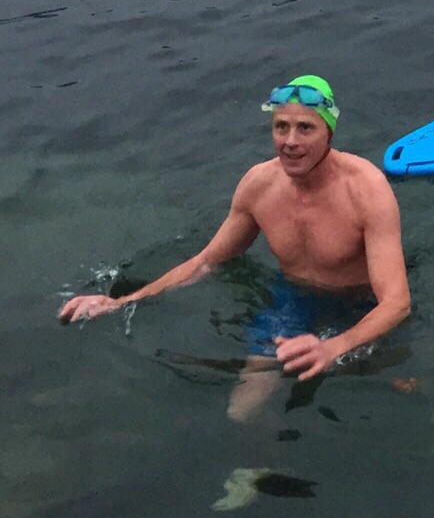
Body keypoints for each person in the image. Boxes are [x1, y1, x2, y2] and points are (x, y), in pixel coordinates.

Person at [58, 75, 411, 420]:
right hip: (293, 299)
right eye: (281, 127)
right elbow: (206, 262)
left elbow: (396, 302)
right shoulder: (259, 186)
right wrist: (121, 302)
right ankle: (261, 472)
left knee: (405, 387)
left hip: (359, 304)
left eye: (305, 128)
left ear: (329, 133)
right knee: (242, 410)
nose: (290, 141)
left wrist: (334, 346)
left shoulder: (367, 191)